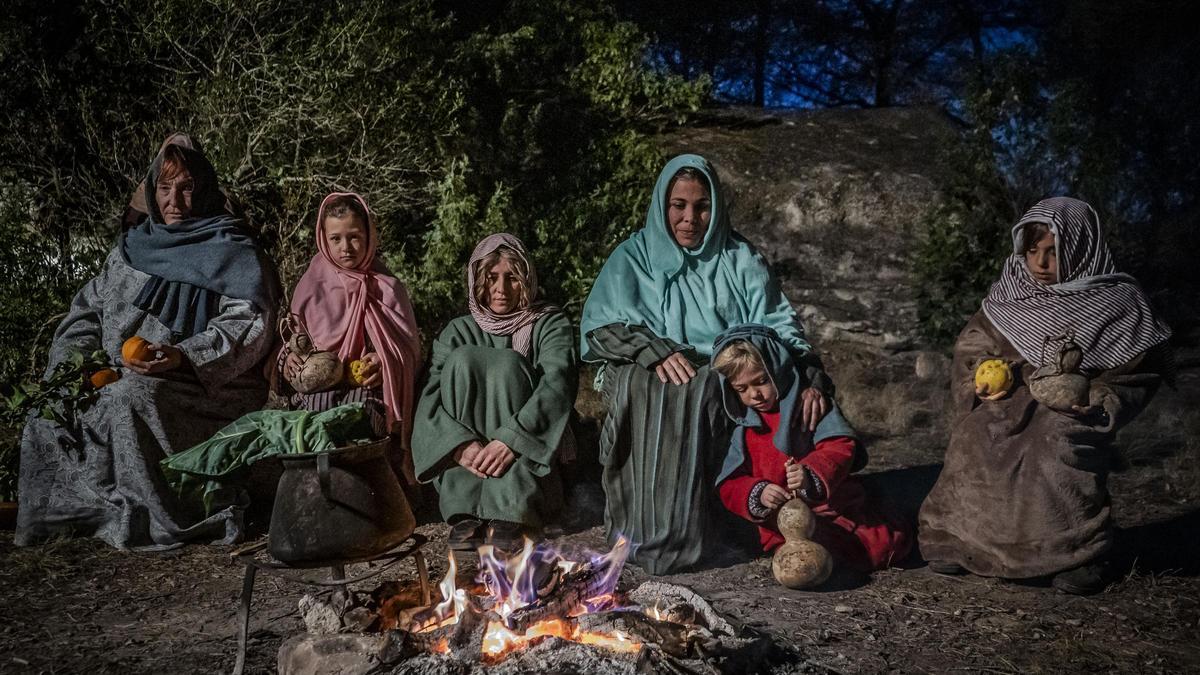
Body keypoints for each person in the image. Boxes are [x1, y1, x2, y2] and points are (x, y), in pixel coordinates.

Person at [16, 133, 280, 549]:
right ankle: (70, 519)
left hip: (201, 386)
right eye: (164, 187)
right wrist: (71, 365)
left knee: (130, 398)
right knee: (50, 411)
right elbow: (87, 311)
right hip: (116, 371)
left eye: (187, 187)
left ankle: (154, 519)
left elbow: (249, 322)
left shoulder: (234, 251)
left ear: (205, 189)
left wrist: (182, 355)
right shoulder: (130, 249)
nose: (174, 199)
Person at [579, 154, 831, 574]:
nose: (690, 218)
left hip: (721, 365)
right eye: (679, 205)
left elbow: (776, 321)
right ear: (664, 205)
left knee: (702, 389)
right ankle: (640, 529)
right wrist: (652, 349)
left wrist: (810, 373)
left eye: (702, 206)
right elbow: (600, 328)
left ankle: (688, 533)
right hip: (643, 359)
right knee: (650, 388)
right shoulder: (632, 256)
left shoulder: (738, 257)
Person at [918, 197, 1172, 595]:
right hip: (1007, 396)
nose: (1039, 263)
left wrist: (1096, 399)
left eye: (1054, 252)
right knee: (976, 436)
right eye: (1032, 251)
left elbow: (1137, 374)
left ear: (1081, 250)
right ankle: (957, 541)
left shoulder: (1118, 304)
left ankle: (1077, 553)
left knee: (1053, 440)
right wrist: (986, 379)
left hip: (1071, 406)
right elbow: (973, 346)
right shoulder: (1010, 294)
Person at [412, 234, 578, 553]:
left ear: (527, 280)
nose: (501, 289)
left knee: (507, 366)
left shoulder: (549, 323)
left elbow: (558, 383)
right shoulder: (457, 332)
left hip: (527, 467)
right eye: (492, 278)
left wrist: (511, 440)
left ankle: (512, 510)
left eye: (513, 277)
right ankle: (466, 512)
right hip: (467, 461)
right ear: (478, 281)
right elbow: (430, 397)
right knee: (462, 361)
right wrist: (458, 446)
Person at [712, 325, 911, 572]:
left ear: (778, 370)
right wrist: (758, 492)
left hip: (832, 511)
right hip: (783, 526)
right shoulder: (744, 428)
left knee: (880, 547)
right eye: (742, 389)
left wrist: (810, 474)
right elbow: (730, 483)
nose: (755, 395)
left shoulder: (808, 404)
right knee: (800, 563)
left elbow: (840, 446)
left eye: (762, 381)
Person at [277, 192, 421, 482]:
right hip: (317, 391)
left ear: (369, 235)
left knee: (361, 416)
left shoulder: (389, 289)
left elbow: (410, 352)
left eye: (354, 236)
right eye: (335, 238)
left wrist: (384, 362)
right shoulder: (309, 288)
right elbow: (294, 341)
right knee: (317, 416)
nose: (346, 248)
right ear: (323, 238)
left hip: (369, 390)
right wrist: (288, 359)